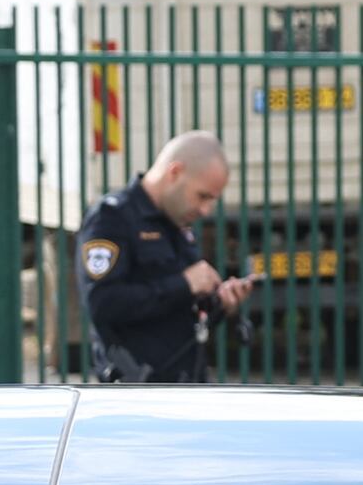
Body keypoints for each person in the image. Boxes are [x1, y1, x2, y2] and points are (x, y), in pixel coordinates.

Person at [77, 132, 253, 383]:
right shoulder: (112, 218)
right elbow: (102, 302)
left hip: (187, 384)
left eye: (212, 201)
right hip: (136, 391)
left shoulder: (177, 222)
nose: (205, 210)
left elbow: (179, 311)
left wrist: (220, 303)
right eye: (202, 196)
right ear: (175, 172)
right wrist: (185, 283)